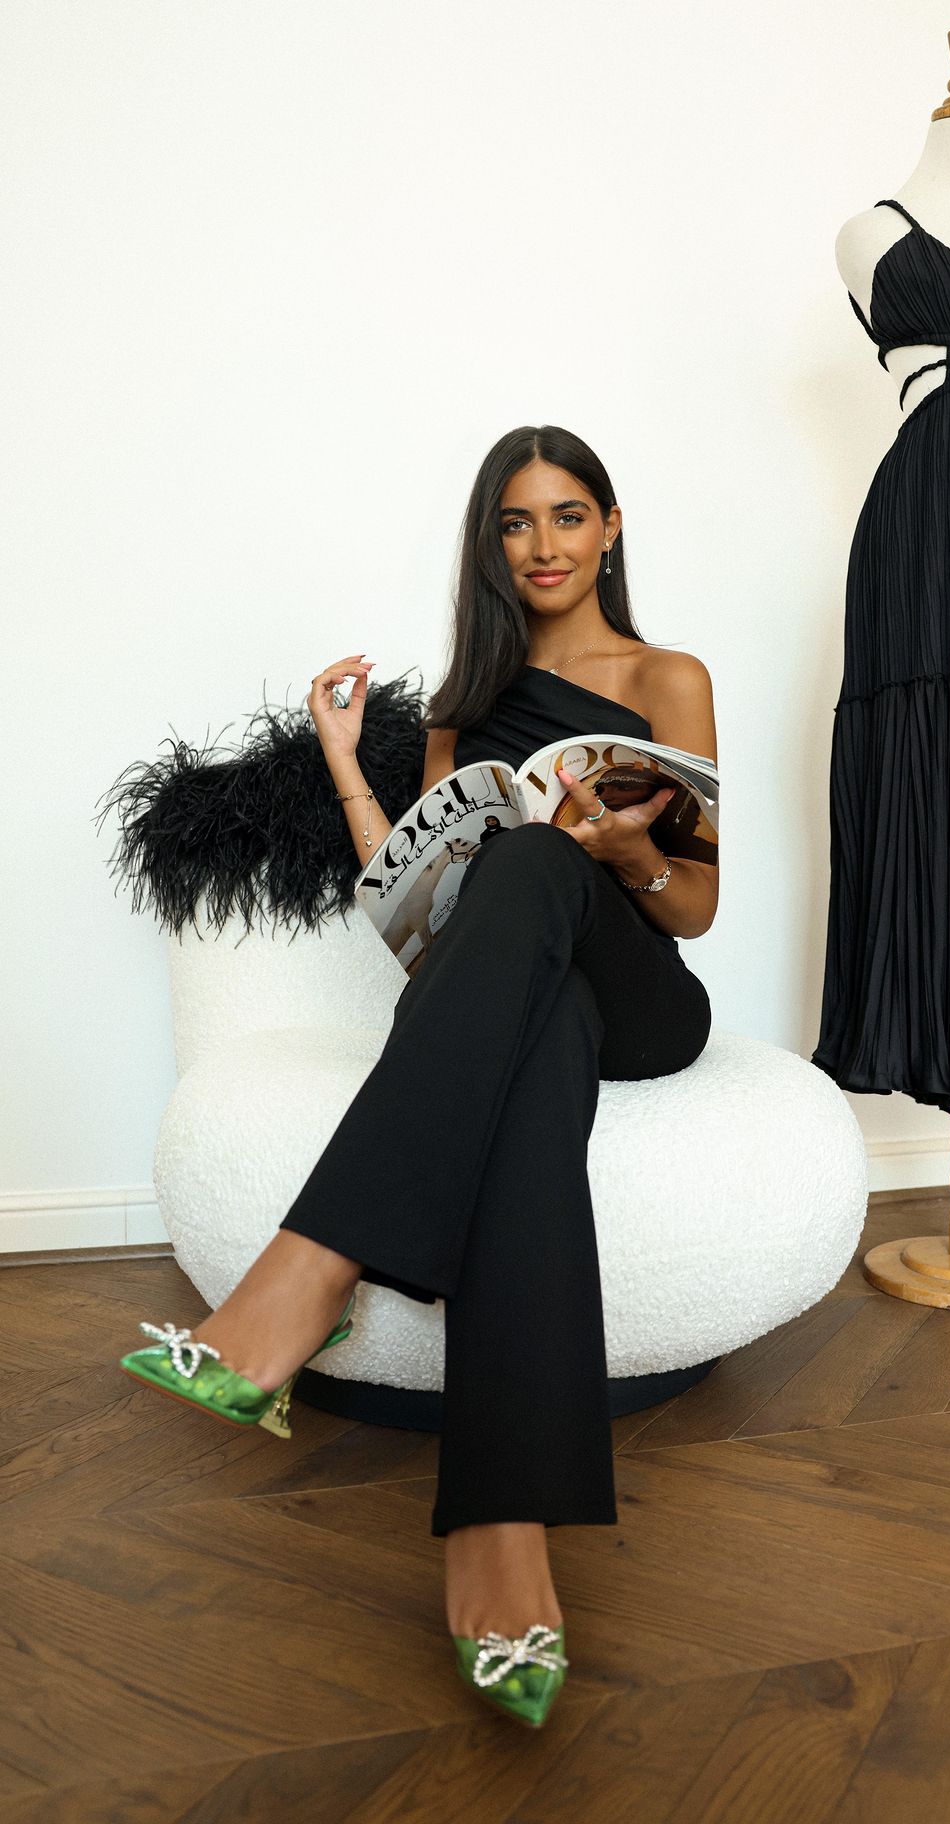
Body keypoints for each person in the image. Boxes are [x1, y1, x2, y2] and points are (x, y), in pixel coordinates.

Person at [119, 423, 718, 1728]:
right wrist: (346, 762)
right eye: (515, 521)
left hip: (645, 991)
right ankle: (500, 1533)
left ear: (610, 528)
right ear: (489, 544)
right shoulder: (463, 708)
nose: (543, 544)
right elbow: (417, 905)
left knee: (540, 859)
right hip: (527, 990)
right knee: (530, 1033)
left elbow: (698, 907)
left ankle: (308, 1274)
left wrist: (625, 855)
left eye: (567, 515)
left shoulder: (668, 676)